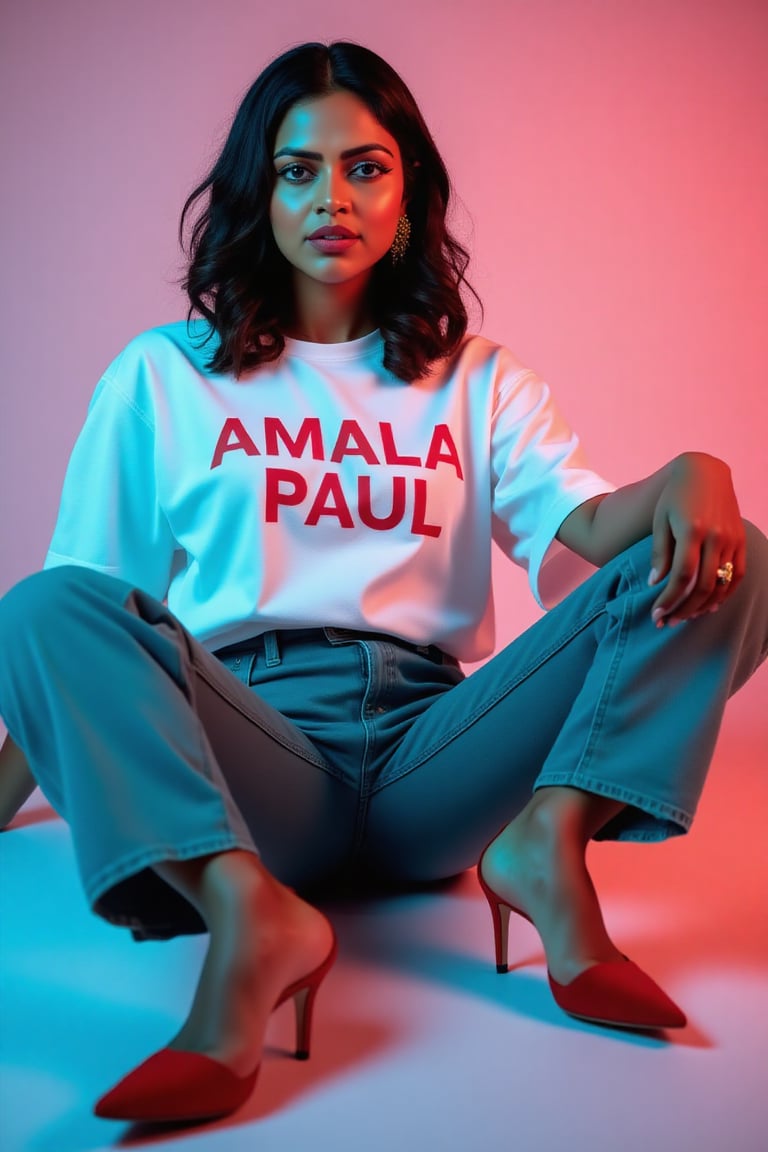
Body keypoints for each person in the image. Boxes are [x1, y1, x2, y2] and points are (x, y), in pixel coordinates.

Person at [0, 40, 766, 1127]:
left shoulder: (479, 379)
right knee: (37, 605)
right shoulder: (164, 376)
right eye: (297, 169)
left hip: (439, 756)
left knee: (738, 553)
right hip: (251, 754)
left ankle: (546, 844)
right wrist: (7, 785)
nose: (332, 198)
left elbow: (583, 528)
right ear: (255, 193)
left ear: (408, 190)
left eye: (365, 167)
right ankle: (247, 912)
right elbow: (89, 606)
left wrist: (697, 471)